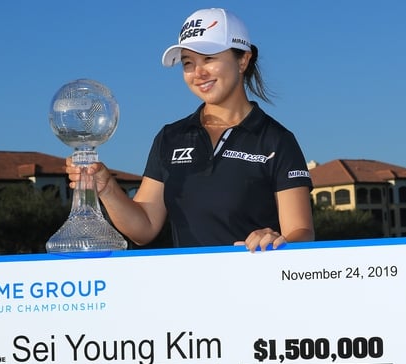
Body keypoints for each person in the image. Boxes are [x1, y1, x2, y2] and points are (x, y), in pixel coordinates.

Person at [66, 7, 314, 252]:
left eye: (209, 58)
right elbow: (144, 228)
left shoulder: (276, 140)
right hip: (188, 289)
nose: (198, 73)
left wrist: (275, 240)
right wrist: (107, 188)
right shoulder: (170, 137)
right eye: (188, 63)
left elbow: (302, 231)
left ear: (243, 60)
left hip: (255, 287)